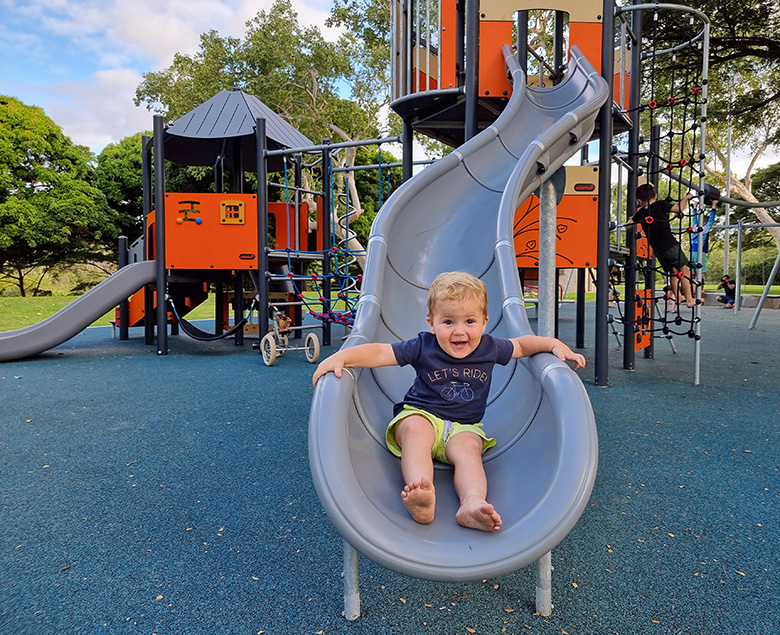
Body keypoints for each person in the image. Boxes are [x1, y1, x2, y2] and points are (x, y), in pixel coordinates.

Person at [312, 271, 586, 532]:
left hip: (464, 426)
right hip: (423, 414)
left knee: (470, 455)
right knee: (414, 430)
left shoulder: (489, 346)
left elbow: (523, 346)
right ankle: (422, 492)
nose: (459, 331)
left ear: (484, 321)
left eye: (469, 321)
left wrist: (553, 344)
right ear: (431, 323)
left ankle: (472, 503)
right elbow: (381, 353)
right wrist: (342, 358)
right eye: (448, 322)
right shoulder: (423, 346)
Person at [625, 183, 697, 309]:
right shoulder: (660, 204)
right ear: (656, 196)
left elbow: (628, 226)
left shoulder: (641, 213)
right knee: (684, 270)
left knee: (673, 272)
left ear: (639, 201)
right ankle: (690, 299)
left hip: (658, 250)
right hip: (670, 244)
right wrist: (686, 198)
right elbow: (678, 209)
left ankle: (678, 297)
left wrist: (633, 219)